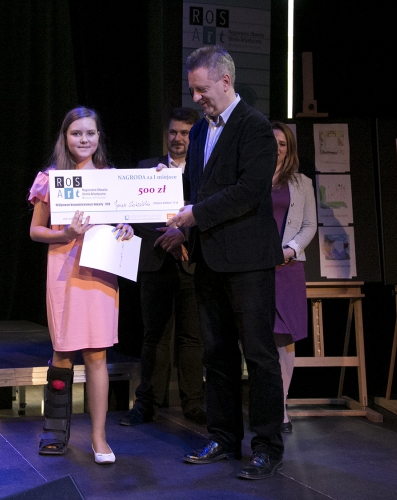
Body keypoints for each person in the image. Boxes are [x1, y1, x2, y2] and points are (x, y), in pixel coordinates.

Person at [167, 45, 285, 480]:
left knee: (258, 354)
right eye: (193, 90)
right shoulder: (200, 131)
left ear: (225, 81)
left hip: (248, 262)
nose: (196, 98)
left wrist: (195, 215)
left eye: (202, 89)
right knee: (216, 354)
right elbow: (196, 189)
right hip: (210, 259)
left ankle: (267, 446)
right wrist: (176, 213)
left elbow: (249, 191)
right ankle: (224, 436)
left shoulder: (255, 127)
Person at [29, 106, 133, 465]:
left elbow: (123, 222)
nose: (83, 139)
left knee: (97, 354)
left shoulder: (111, 178)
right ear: (65, 137)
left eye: (90, 133)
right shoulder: (51, 178)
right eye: (76, 133)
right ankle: (55, 430)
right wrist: (66, 234)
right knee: (63, 351)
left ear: (98, 137)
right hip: (64, 273)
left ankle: (99, 437)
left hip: (100, 273)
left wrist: (125, 228)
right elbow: (35, 230)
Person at [120, 107, 206, 426]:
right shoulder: (146, 169)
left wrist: (184, 236)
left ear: (194, 136)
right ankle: (147, 405)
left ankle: (193, 404)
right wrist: (165, 237)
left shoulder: (203, 170)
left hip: (190, 263)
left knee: (192, 338)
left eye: (185, 133)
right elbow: (131, 213)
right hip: (155, 261)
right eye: (173, 132)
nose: (177, 138)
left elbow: (209, 213)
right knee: (154, 337)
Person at [270, 121, 317, 433]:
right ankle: (265, 403)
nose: (277, 148)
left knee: (284, 338)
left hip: (288, 268)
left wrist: (290, 250)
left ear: (290, 149)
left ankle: (281, 408)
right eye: (272, 142)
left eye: (282, 143)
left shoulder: (301, 183)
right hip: (257, 268)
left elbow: (310, 225)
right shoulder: (252, 178)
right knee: (260, 337)